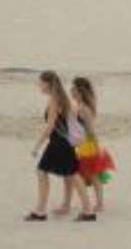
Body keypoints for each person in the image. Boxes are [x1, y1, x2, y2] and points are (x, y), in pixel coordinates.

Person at [26, 71, 95, 222]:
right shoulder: (62, 98)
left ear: (48, 84)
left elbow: (50, 126)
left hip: (58, 144)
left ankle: (40, 211)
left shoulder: (54, 100)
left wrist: (37, 145)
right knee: (72, 174)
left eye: (40, 83)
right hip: (65, 143)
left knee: (42, 171)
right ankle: (88, 211)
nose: (39, 85)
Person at [70, 77, 115, 214]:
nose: (71, 91)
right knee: (87, 175)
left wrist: (96, 147)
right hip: (82, 144)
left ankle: (99, 204)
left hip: (88, 144)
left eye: (73, 89)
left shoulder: (84, 109)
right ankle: (93, 203)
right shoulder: (78, 107)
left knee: (93, 175)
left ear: (80, 92)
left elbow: (90, 130)